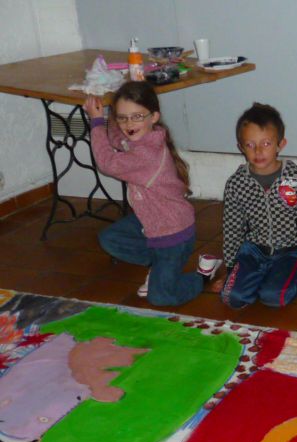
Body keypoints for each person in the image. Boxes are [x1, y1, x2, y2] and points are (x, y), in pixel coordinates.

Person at [84, 81, 220, 306]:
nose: (129, 124)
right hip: (151, 222)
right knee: (110, 239)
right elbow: (117, 138)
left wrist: (96, 121)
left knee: (161, 297)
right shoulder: (146, 135)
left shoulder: (146, 155)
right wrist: (109, 112)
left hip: (172, 236)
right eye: (123, 117)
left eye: (137, 116)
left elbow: (107, 162)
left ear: (154, 116)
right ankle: (159, 268)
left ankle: (203, 275)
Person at [219, 102, 297, 308]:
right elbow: (232, 228)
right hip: (254, 251)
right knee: (231, 298)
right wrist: (232, 269)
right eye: (250, 145)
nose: (258, 151)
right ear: (241, 147)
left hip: (292, 251)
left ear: (280, 144)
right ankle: (257, 276)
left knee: (274, 297)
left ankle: (294, 275)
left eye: (266, 143)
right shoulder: (236, 183)